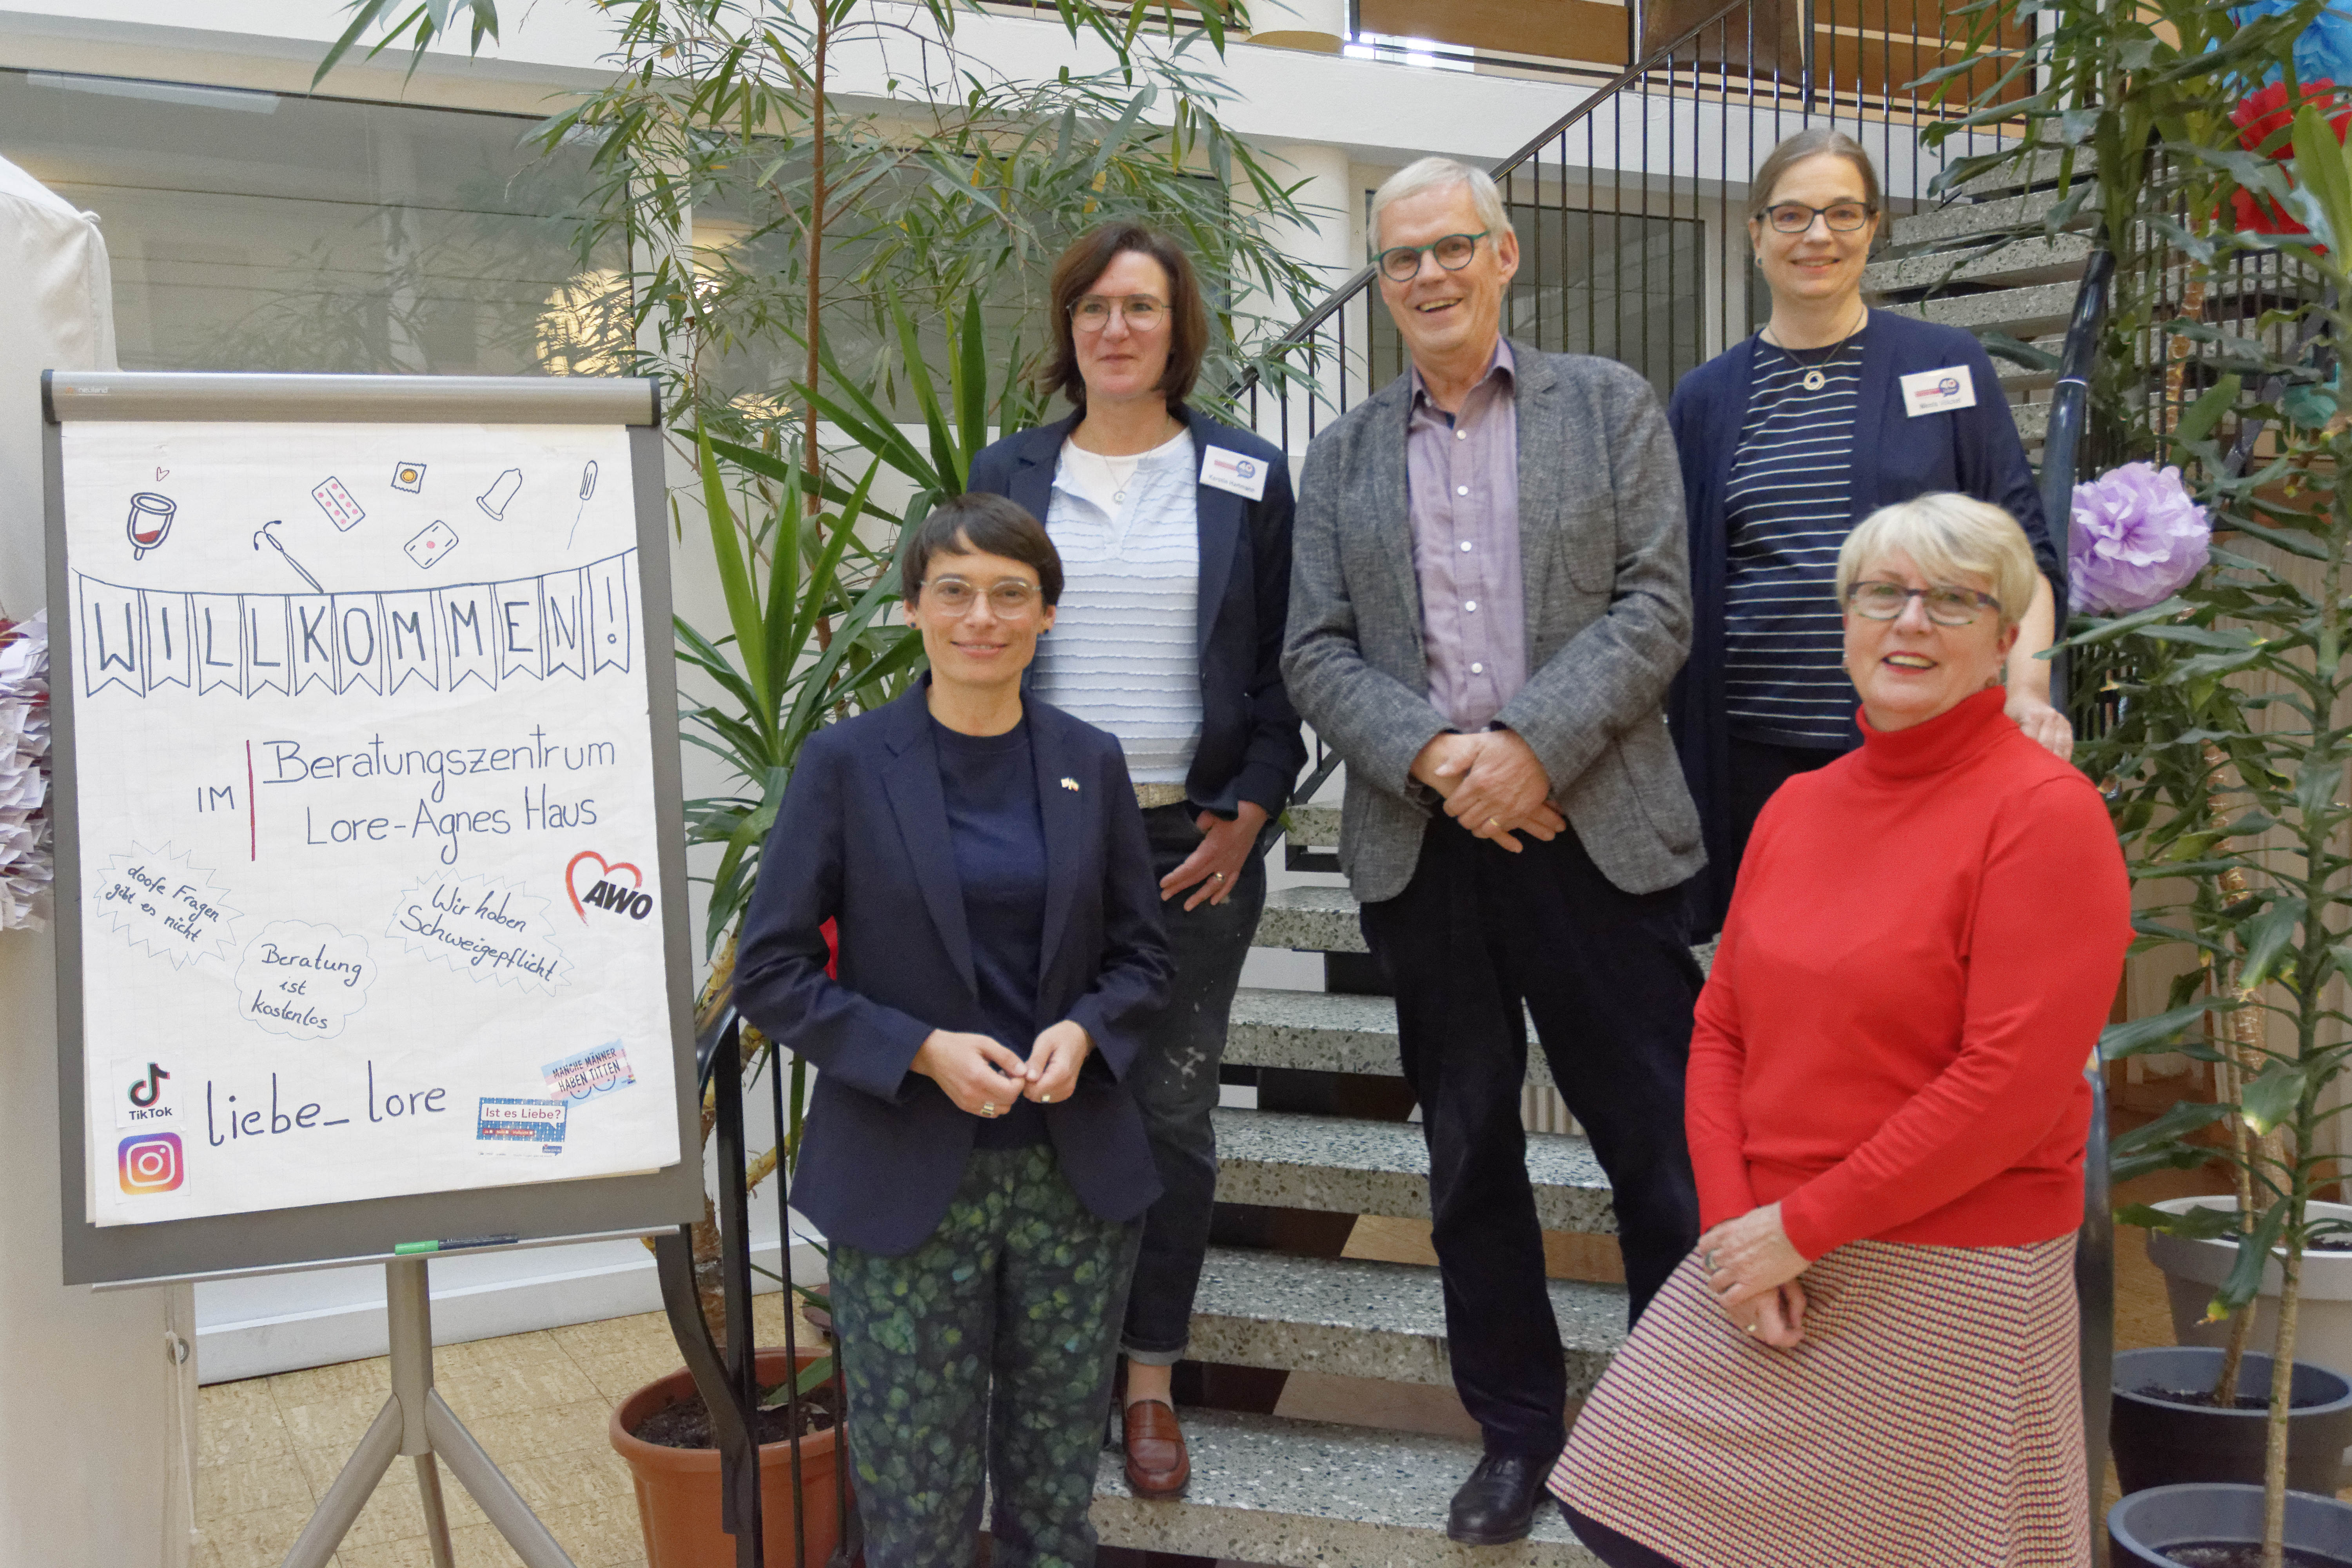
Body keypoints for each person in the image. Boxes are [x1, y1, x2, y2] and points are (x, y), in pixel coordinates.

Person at [1549, 493, 2131, 1568]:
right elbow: (1720, 1026)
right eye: (1883, 593)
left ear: (2007, 640)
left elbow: (2007, 1088)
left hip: (1952, 1260)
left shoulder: (2046, 813)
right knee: (1621, 1501)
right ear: (1847, 619)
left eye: (1953, 601)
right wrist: (1740, 1232)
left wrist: (1801, 1228)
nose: (1910, 622)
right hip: (1774, 1240)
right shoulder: (1801, 806)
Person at [1283, 155, 1706, 1548]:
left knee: (1658, 1147)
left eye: (1452, 247)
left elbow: (1656, 608)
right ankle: (1517, 1436)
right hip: (1430, 851)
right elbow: (1314, 651)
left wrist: (1528, 743)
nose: (1428, 276)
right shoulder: (1341, 453)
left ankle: (1668, 1437)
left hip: (1596, 833)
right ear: (1381, 279)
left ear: (1505, 256)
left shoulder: (1608, 405)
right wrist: (1442, 759)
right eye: (1401, 257)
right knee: (1470, 1157)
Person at [732, 493, 1172, 1568]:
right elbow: (770, 972)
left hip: (1074, 1181)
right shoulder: (845, 765)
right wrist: (920, 1050)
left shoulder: (1091, 760)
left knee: (1054, 1497)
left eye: (1010, 593)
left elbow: (1144, 958)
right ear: (916, 608)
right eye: (956, 591)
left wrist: (1087, 1030)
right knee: (917, 1503)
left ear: (1047, 616)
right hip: (904, 1181)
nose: (983, 615)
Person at [965, 221, 1303, 1497]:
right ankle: (1048, 1371)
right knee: (1028, 1105)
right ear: (1069, 328)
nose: (1118, 328)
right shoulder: (1011, 469)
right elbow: (977, 643)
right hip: (1031, 834)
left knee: (1166, 1112)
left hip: (1189, 843)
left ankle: (1150, 1383)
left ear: (1179, 328)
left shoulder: (1248, 474)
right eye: (1096, 307)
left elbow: (1284, 668)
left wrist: (1253, 811)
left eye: (1143, 308)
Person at [1667, 126, 2073, 940]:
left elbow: (2018, 548)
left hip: (1916, 743)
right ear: (1756, 235)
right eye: (1791, 215)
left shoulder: (1944, 364)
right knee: (1779, 966)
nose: (1817, 235)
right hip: (1751, 755)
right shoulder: (1706, 396)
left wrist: (2028, 693)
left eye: (1842, 212)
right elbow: (1677, 578)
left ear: (1874, 226)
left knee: (1914, 959)